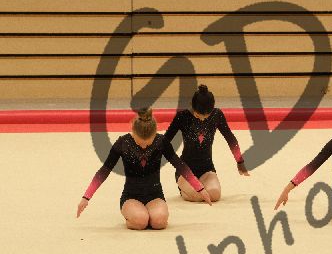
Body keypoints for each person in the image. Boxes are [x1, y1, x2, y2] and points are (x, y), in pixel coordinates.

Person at [76, 108, 211, 230]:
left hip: (155, 195)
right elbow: (104, 171)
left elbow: (180, 165)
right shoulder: (123, 143)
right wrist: (86, 197)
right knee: (140, 222)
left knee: (159, 222)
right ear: (133, 131)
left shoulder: (161, 142)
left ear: (155, 134)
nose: (144, 147)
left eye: (148, 143)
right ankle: (134, 215)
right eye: (140, 143)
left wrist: (199, 188)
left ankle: (148, 214)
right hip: (131, 196)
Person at [162, 85, 249, 203]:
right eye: (198, 116)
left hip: (207, 169)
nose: (202, 119)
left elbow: (230, 138)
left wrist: (240, 161)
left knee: (215, 195)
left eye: (206, 117)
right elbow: (165, 141)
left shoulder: (217, 115)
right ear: (192, 106)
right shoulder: (182, 116)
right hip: (186, 170)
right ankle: (184, 189)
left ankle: (193, 190)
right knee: (197, 195)